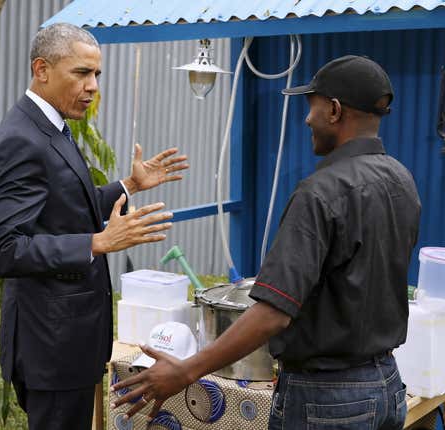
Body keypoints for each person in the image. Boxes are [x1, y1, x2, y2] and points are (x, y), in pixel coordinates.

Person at [111, 55, 421, 429]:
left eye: (313, 108)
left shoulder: (320, 193)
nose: (307, 119)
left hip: (326, 400)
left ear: (335, 111)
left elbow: (274, 311)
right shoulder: (401, 181)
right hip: (387, 385)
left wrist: (188, 370)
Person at [0, 23, 188, 430]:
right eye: (81, 73)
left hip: (68, 342)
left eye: (97, 75)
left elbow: (63, 207)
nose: (92, 86)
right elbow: (2, 249)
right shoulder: (22, 138)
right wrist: (96, 242)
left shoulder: (52, 125)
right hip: (50, 348)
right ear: (42, 69)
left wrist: (128, 185)